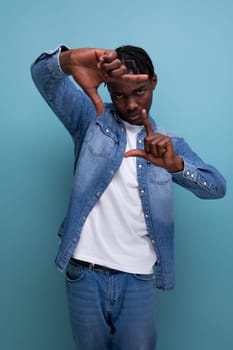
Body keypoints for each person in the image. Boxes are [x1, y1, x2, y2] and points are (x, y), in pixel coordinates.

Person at [31, 44, 226, 350]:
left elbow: (216, 187)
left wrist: (176, 166)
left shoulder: (169, 145)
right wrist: (68, 60)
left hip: (137, 279)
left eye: (140, 91)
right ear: (108, 89)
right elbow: (43, 77)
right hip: (85, 274)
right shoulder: (90, 120)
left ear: (154, 83)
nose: (131, 104)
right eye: (119, 95)